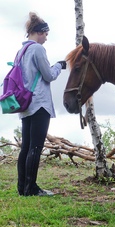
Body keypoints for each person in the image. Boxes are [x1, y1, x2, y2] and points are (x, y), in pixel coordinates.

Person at [17, 12, 66, 196]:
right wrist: (59, 66)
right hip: (39, 104)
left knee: (26, 148)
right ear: (38, 32)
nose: (46, 37)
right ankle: (32, 189)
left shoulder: (20, 52)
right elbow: (49, 75)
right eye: (45, 33)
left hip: (26, 104)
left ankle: (22, 188)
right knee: (35, 147)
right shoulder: (37, 49)